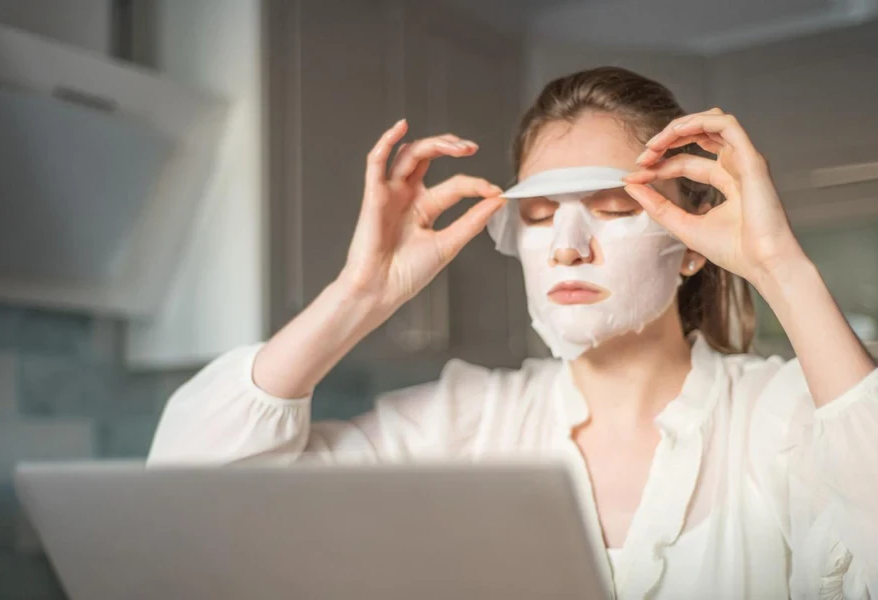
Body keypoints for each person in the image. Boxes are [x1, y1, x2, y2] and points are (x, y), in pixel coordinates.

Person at [148, 67, 877, 599]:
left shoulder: (779, 420)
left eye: (611, 208)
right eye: (536, 214)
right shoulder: (464, 426)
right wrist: (356, 296)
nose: (566, 244)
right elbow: (188, 516)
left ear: (690, 244)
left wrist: (780, 267)